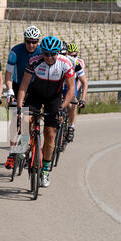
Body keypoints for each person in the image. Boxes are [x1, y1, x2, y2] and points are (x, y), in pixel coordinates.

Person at [17, 36, 76, 188]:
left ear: (58, 53)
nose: (49, 57)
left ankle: (45, 171)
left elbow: (71, 89)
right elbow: (23, 86)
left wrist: (62, 107)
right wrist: (19, 107)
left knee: (50, 134)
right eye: (46, 54)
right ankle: (24, 144)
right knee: (25, 119)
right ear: (42, 52)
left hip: (54, 99)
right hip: (35, 95)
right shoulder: (35, 61)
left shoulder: (65, 63)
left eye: (53, 54)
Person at [5, 25, 42, 169]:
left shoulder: (41, 52)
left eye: (34, 42)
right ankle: (12, 153)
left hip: (35, 88)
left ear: (38, 42)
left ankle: (28, 144)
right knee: (16, 119)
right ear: (24, 40)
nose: (31, 45)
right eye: (28, 41)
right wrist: (9, 91)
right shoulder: (15, 51)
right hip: (17, 85)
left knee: (31, 118)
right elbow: (8, 74)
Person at [66, 42, 88, 142]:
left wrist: (75, 91)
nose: (72, 57)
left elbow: (81, 79)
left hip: (75, 82)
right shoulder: (64, 60)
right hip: (65, 82)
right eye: (70, 55)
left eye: (74, 55)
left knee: (72, 106)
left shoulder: (79, 62)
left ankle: (71, 126)